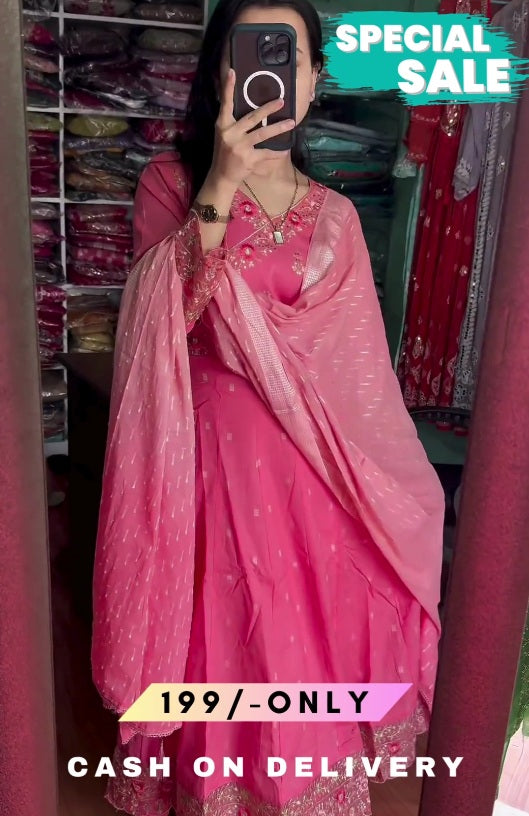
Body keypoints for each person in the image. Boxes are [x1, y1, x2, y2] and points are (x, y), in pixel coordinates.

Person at [91, 0, 446, 813]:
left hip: (316, 479)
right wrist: (219, 182)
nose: (269, 75)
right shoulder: (171, 183)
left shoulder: (337, 216)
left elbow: (358, 378)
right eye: (249, 53)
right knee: (226, 632)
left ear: (315, 77)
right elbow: (162, 323)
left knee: (297, 637)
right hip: (207, 473)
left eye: (288, 57)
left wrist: (389, 490)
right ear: (219, 72)